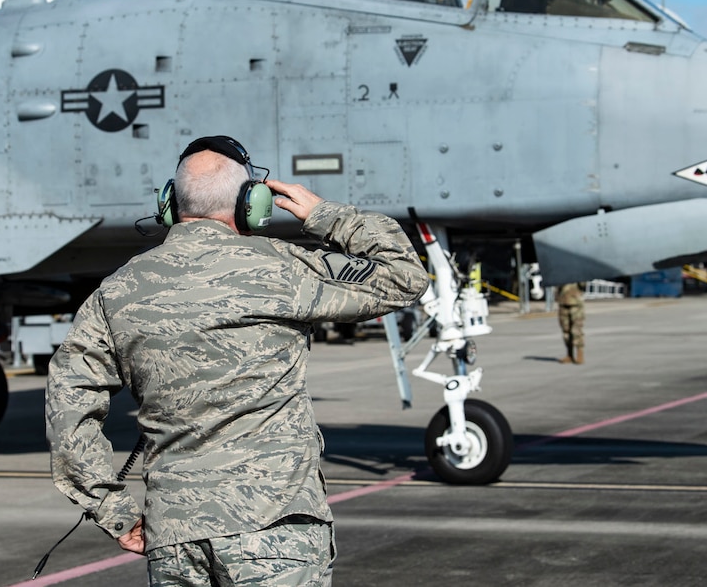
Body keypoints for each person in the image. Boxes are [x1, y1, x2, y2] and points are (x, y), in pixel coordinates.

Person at [45, 135, 428, 586]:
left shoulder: (117, 291)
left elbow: (67, 405)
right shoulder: (283, 268)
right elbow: (404, 277)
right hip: (273, 530)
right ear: (252, 203)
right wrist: (325, 215)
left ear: (170, 202)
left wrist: (114, 511)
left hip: (175, 537)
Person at [555, 282, 585, 364]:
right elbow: (557, 288)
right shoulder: (560, 275)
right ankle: (569, 354)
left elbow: (583, 285)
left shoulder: (578, 273)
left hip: (575, 303)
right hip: (563, 302)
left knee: (576, 330)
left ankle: (580, 354)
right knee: (566, 331)